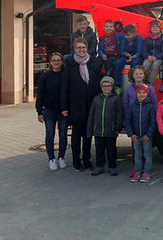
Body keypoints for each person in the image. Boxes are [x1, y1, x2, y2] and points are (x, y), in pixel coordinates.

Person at [61, 38, 102, 172]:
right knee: (76, 135)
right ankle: (76, 161)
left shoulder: (93, 63)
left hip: (90, 105)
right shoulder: (70, 65)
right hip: (75, 106)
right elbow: (65, 88)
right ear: (74, 49)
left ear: (87, 47)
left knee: (88, 135)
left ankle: (86, 160)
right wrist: (65, 107)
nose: (81, 50)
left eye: (83, 47)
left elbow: (97, 84)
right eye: (79, 48)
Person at [36, 52, 68, 171]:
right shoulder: (45, 76)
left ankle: (61, 157)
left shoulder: (66, 75)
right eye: (54, 60)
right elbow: (40, 95)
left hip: (63, 111)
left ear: (62, 61)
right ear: (50, 62)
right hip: (49, 111)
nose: (56, 62)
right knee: (50, 135)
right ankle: (51, 159)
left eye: (58, 60)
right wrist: (39, 111)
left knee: (63, 135)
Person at [86, 76, 124, 176]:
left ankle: (112, 166)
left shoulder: (116, 99)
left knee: (111, 149)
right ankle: (99, 166)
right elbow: (91, 115)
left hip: (111, 130)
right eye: (104, 86)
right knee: (99, 149)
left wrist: (118, 127)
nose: (106, 88)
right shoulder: (96, 99)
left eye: (109, 85)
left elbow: (120, 113)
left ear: (112, 87)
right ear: (101, 87)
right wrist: (90, 129)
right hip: (98, 130)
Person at [126, 85, 156, 183]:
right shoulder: (132, 106)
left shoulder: (150, 106)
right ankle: (138, 171)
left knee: (147, 154)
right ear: (136, 94)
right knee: (137, 155)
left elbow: (153, 122)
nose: (141, 94)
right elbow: (128, 121)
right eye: (139, 92)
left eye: (144, 92)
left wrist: (149, 134)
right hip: (135, 136)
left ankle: (146, 172)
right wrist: (131, 134)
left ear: (147, 94)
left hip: (146, 136)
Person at [142, 20, 163, 87]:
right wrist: (147, 56)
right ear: (150, 29)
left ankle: (150, 84)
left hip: (159, 58)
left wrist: (156, 57)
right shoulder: (147, 39)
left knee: (155, 65)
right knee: (145, 64)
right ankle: (143, 82)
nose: (155, 28)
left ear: (160, 29)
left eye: (157, 27)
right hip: (149, 57)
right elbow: (144, 50)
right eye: (153, 27)